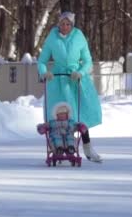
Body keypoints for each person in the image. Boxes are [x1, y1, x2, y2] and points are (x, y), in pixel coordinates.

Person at [37, 11, 103, 162]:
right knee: (61, 115)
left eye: (68, 24)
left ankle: (87, 148)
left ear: (72, 25)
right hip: (58, 81)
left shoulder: (79, 36)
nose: (65, 27)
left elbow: (88, 61)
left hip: (76, 80)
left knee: (80, 115)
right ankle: (60, 146)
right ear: (58, 24)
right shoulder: (52, 38)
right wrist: (44, 73)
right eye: (62, 24)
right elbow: (42, 61)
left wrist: (80, 72)